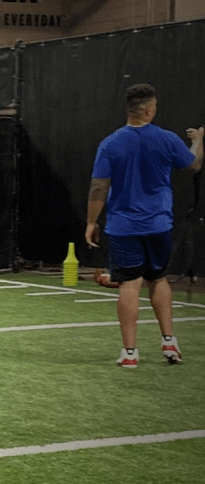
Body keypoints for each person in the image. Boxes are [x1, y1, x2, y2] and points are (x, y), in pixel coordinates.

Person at [86, 83, 203, 368]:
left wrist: (91, 222)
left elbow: (99, 187)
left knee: (129, 284)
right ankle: (169, 343)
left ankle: (130, 354)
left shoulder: (110, 142)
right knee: (158, 279)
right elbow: (194, 164)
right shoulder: (166, 138)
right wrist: (199, 139)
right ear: (150, 110)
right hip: (159, 225)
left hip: (123, 227)